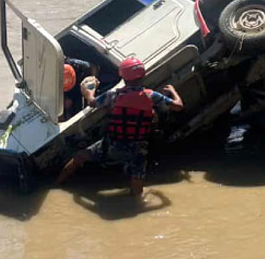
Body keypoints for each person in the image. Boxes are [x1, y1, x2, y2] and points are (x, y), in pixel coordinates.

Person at [55, 57, 183, 196]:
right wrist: (172, 90)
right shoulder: (152, 95)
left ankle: (56, 186)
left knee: (79, 157)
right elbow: (178, 106)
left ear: (122, 76)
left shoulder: (114, 95)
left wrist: (89, 92)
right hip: (137, 149)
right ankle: (134, 201)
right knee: (137, 187)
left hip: (112, 145)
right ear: (143, 75)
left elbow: (92, 102)